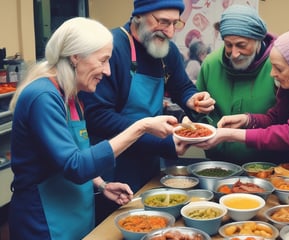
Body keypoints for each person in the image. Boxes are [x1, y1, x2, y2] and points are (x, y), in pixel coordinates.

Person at [8, 17, 180, 240]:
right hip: (44, 222)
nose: (107, 71)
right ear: (76, 57)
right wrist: (141, 126)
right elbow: (76, 166)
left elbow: (75, 151)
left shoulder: (72, 96)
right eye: (103, 60)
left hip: (74, 214)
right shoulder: (43, 97)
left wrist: (101, 183)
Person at [79, 0, 215, 224]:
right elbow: (98, 117)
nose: (170, 32)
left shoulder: (166, 51)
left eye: (175, 23)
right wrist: (162, 142)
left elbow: (181, 85)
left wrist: (192, 98)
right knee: (117, 224)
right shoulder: (111, 48)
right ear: (139, 16)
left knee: (152, 221)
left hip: (148, 158)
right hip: (112, 162)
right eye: (163, 22)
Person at [196, 27, 289, 163]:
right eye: (273, 67)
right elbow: (277, 118)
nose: (272, 74)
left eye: (279, 69)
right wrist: (247, 120)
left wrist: (232, 134)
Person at [195, 4, 289, 164]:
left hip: (273, 166)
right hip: (220, 164)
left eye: (241, 45)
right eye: (228, 45)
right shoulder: (210, 65)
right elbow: (198, 112)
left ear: (259, 40)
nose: (234, 53)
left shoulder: (279, 65)